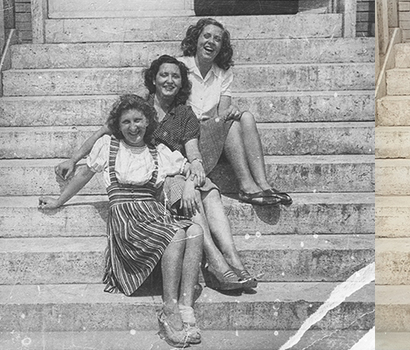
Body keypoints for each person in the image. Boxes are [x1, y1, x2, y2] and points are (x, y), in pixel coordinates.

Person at [54, 55, 258, 293]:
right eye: (164, 75)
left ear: (182, 83)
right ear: (153, 79)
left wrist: (196, 167)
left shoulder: (184, 113)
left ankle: (233, 259)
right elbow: (102, 134)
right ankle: (216, 262)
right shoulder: (138, 109)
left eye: (175, 76)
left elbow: (191, 149)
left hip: (177, 167)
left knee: (210, 192)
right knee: (183, 190)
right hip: (158, 179)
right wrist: (73, 158)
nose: (169, 80)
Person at [39, 95, 203, 347]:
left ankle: (185, 305)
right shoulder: (108, 146)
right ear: (118, 125)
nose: (133, 127)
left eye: (138, 120)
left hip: (153, 214)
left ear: (148, 122)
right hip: (127, 222)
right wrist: (59, 201)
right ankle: (169, 310)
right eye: (126, 122)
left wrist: (191, 183)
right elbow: (83, 174)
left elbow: (190, 168)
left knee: (195, 231)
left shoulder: (158, 151)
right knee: (177, 233)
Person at [178, 17, 291, 206]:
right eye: (206, 36)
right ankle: (246, 186)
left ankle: (262, 183)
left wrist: (231, 111)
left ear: (222, 46)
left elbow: (222, 114)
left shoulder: (223, 72)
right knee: (230, 122)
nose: (210, 42)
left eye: (217, 39)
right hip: (188, 141)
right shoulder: (180, 66)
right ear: (196, 39)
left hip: (209, 133)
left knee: (245, 116)